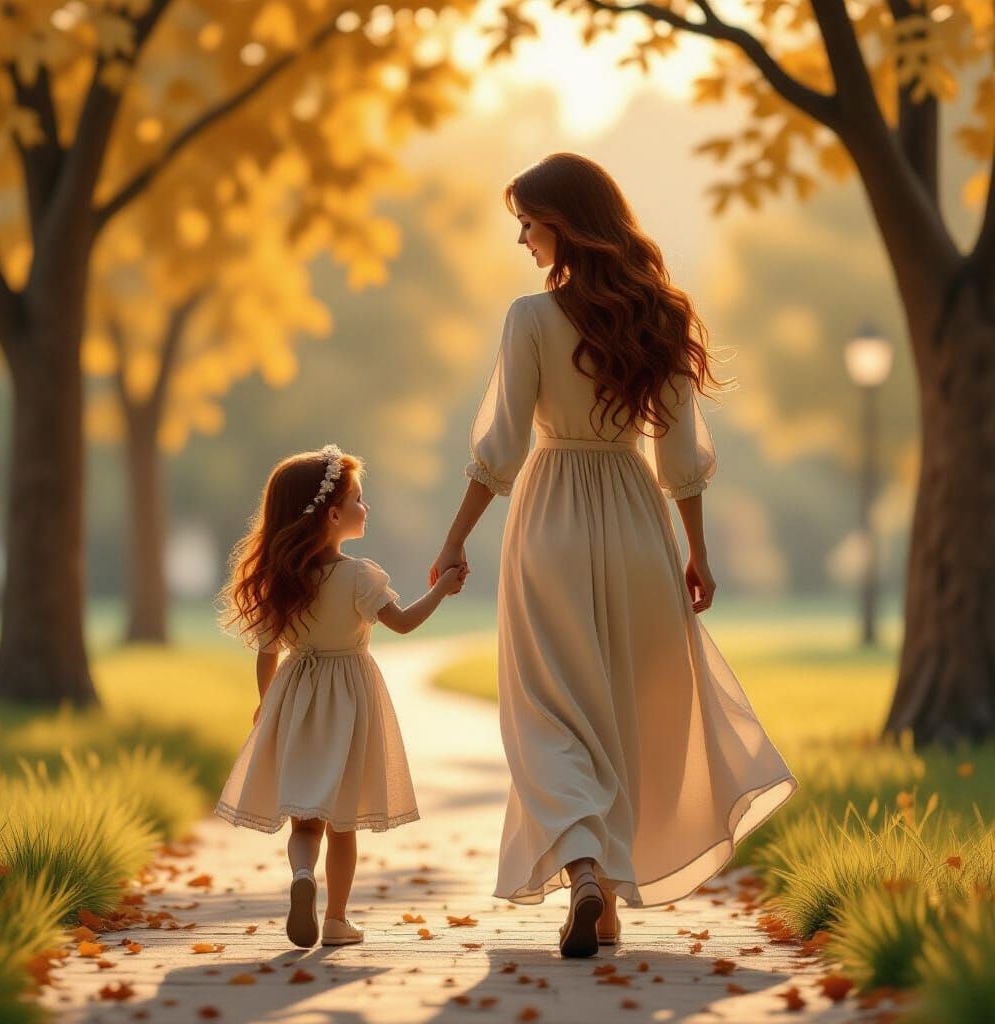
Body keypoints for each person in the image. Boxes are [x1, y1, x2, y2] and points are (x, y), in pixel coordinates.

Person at [429, 153, 797, 958]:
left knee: (546, 709)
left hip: (551, 516)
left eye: (528, 220)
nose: (521, 238)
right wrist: (697, 552)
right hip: (635, 520)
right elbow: (681, 458)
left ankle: (586, 867)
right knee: (621, 709)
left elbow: (499, 448)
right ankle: (605, 888)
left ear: (564, 220)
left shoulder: (530, 317)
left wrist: (455, 537)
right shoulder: (659, 314)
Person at [215, 444, 466, 948]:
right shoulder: (359, 576)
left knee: (305, 820)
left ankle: (302, 876)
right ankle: (335, 921)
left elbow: (267, 652)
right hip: (349, 703)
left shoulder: (284, 581)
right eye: (358, 499)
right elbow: (404, 623)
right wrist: (441, 590)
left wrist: (269, 705)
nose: (365, 507)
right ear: (333, 514)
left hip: (297, 700)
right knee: (343, 821)